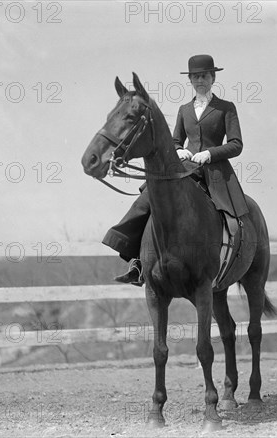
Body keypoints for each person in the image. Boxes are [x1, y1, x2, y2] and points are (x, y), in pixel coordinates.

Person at [102, 54, 248, 285]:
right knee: (151, 195)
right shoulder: (184, 109)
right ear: (190, 80)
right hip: (185, 167)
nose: (199, 80)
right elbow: (176, 140)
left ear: (213, 77)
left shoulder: (226, 108)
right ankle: (137, 260)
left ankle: (222, 259)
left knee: (223, 215)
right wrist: (179, 150)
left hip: (214, 172)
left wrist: (210, 153)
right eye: (195, 77)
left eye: (204, 76)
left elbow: (236, 144)